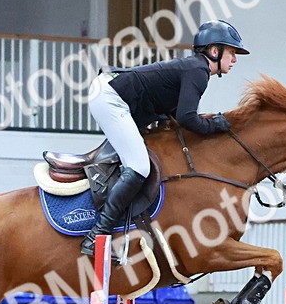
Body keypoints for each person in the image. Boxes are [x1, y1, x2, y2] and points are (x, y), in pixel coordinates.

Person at [80, 20, 249, 256]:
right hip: (110, 96)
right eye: (231, 52)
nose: (235, 59)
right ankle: (98, 234)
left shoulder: (195, 68)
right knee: (139, 166)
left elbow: (175, 115)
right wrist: (215, 125)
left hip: (113, 93)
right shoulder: (198, 71)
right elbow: (187, 118)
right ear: (214, 51)